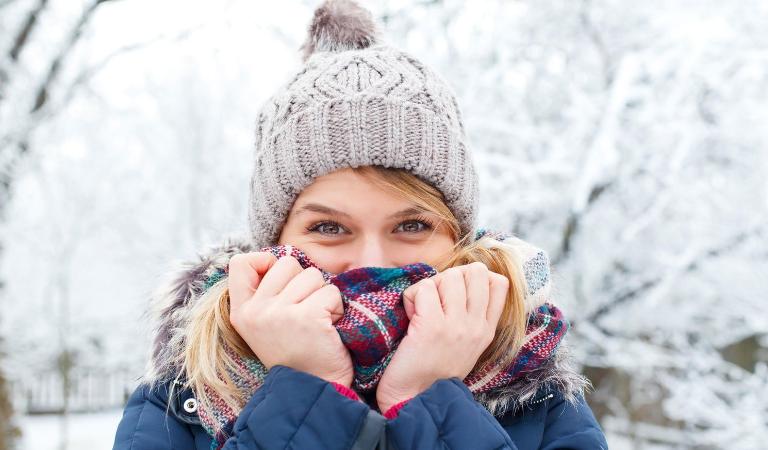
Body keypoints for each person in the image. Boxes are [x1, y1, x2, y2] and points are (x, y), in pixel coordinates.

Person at [112, 0, 608, 448]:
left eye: (411, 225)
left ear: (457, 237)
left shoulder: (540, 400)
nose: (372, 261)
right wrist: (310, 391)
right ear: (274, 241)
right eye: (329, 228)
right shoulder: (181, 400)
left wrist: (426, 398)